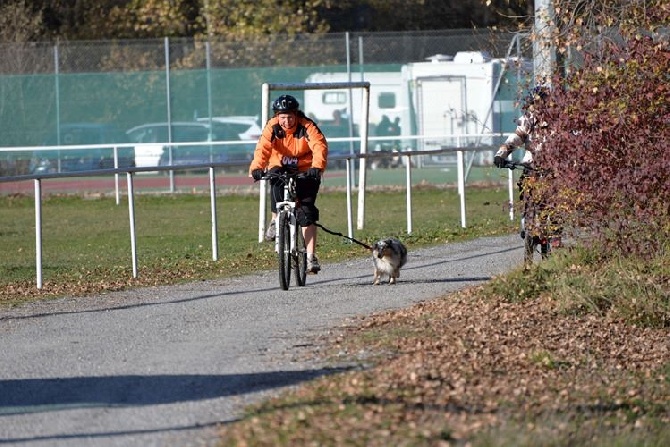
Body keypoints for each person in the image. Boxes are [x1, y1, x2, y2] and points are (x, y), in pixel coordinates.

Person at [249, 94, 328, 274]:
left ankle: (310, 257)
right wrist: (257, 168)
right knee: (274, 178)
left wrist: (317, 167)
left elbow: (319, 146)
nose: (286, 121)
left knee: (306, 212)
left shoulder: (307, 126)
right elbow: (262, 148)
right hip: (280, 165)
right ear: (277, 116)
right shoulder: (272, 126)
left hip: (305, 169)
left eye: (290, 116)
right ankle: (276, 220)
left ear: (296, 115)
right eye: (282, 117)